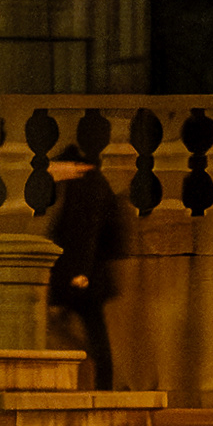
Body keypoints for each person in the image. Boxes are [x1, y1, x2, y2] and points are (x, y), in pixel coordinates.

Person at [43, 136, 138, 395]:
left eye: (56, 167)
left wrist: (80, 273)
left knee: (92, 334)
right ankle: (95, 381)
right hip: (83, 275)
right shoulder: (88, 185)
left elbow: (86, 233)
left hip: (83, 277)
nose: (53, 173)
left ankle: (98, 383)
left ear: (71, 166)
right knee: (89, 331)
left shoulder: (86, 187)